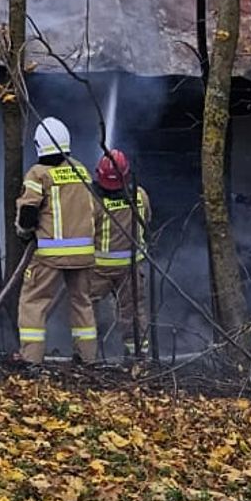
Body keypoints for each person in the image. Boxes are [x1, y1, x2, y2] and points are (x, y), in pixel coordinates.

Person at [14, 117, 101, 369]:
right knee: (82, 303)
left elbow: (28, 213)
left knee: (33, 302)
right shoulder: (80, 170)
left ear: (39, 145)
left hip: (50, 254)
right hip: (84, 255)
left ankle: (31, 360)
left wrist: (24, 233)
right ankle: (87, 359)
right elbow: (94, 210)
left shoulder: (38, 174)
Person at [90, 148, 152, 362]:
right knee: (133, 312)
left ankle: (88, 355)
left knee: (86, 308)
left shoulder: (93, 201)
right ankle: (138, 356)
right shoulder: (140, 196)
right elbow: (147, 221)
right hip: (131, 268)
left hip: (98, 269)